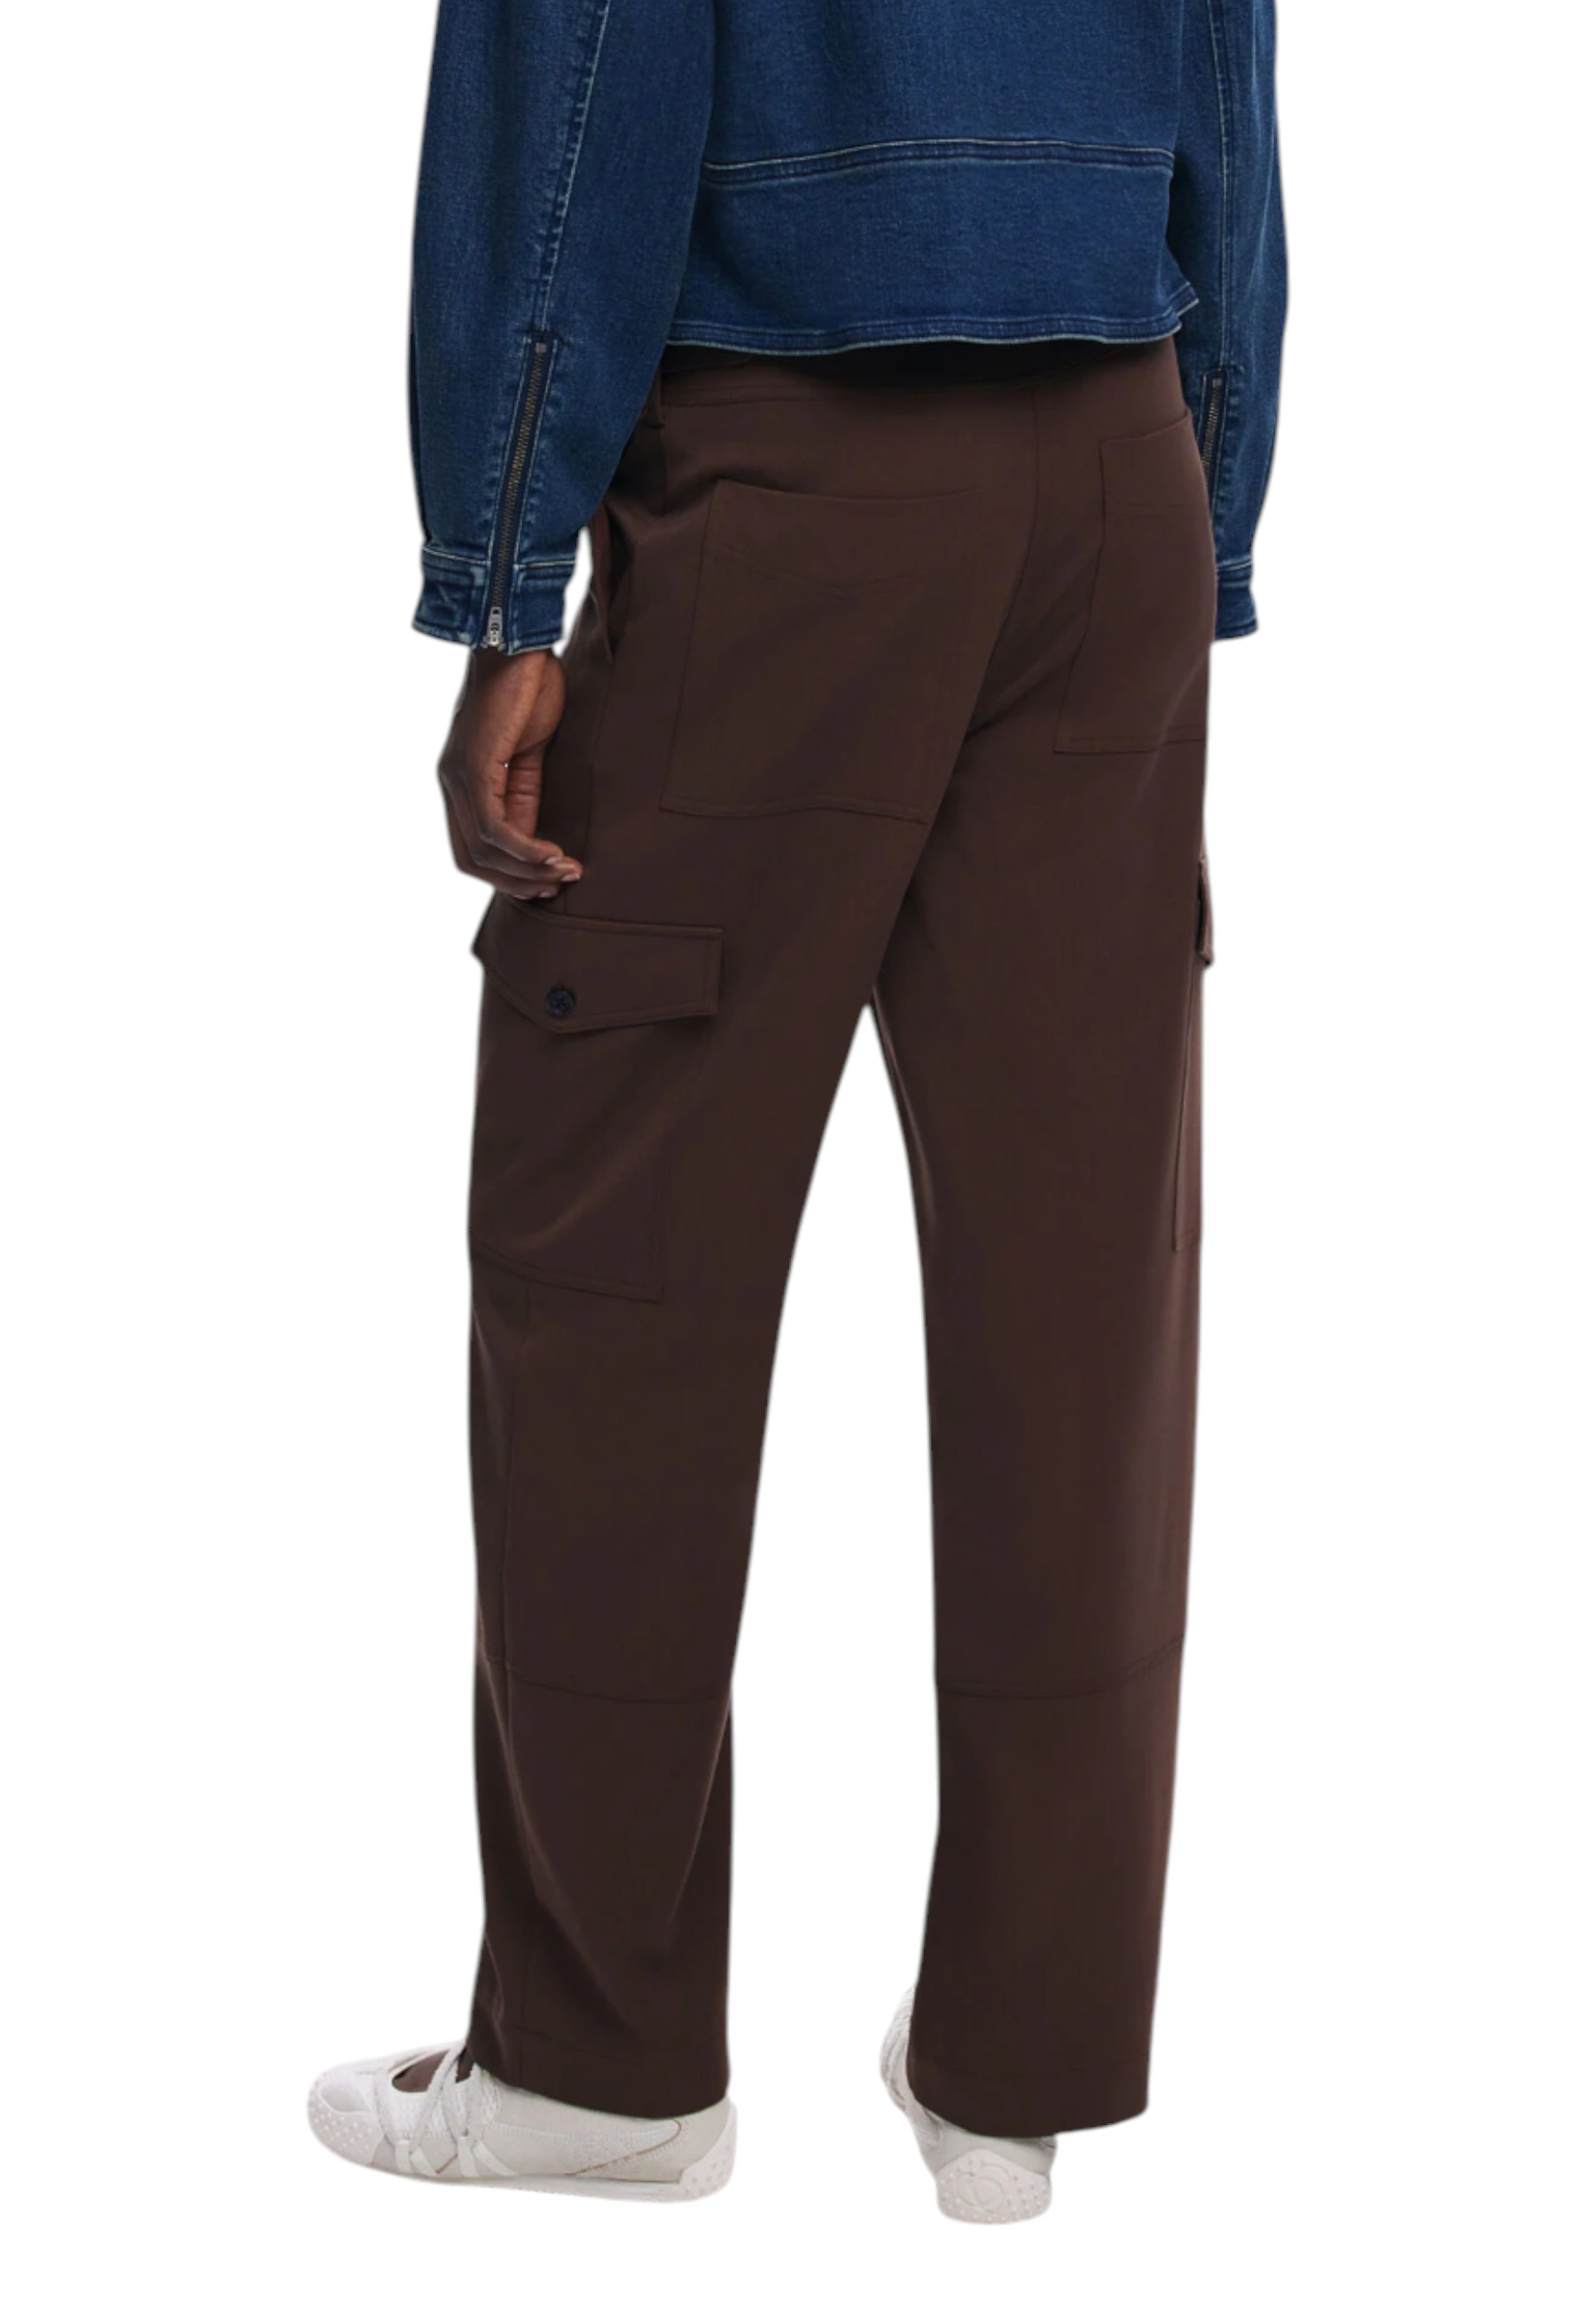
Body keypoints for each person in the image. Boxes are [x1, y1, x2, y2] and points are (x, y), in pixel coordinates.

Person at [308, 0, 1284, 2224]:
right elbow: (1222, 62)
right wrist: (1207, 475)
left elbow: (580, 56)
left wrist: (505, 572)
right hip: (1116, 463)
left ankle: (596, 2063)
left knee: (613, 1265)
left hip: (790, 483)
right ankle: (1020, 2069)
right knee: (1079, 1290)